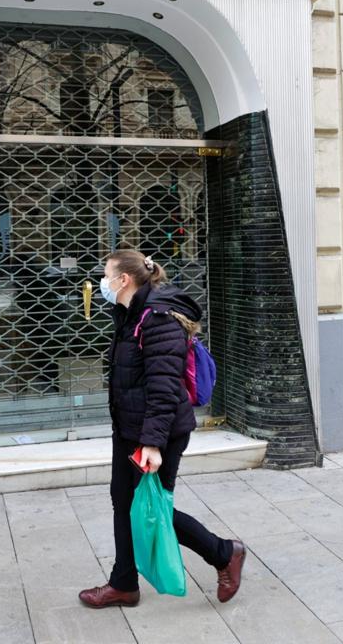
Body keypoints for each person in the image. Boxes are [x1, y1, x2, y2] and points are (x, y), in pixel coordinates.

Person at [78, 249, 244, 610]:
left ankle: (224, 553)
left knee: (153, 507)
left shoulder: (157, 319)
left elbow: (165, 386)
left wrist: (152, 443)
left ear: (124, 280)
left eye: (106, 275)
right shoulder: (127, 312)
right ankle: (123, 584)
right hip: (129, 426)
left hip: (158, 431)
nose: (101, 282)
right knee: (124, 502)